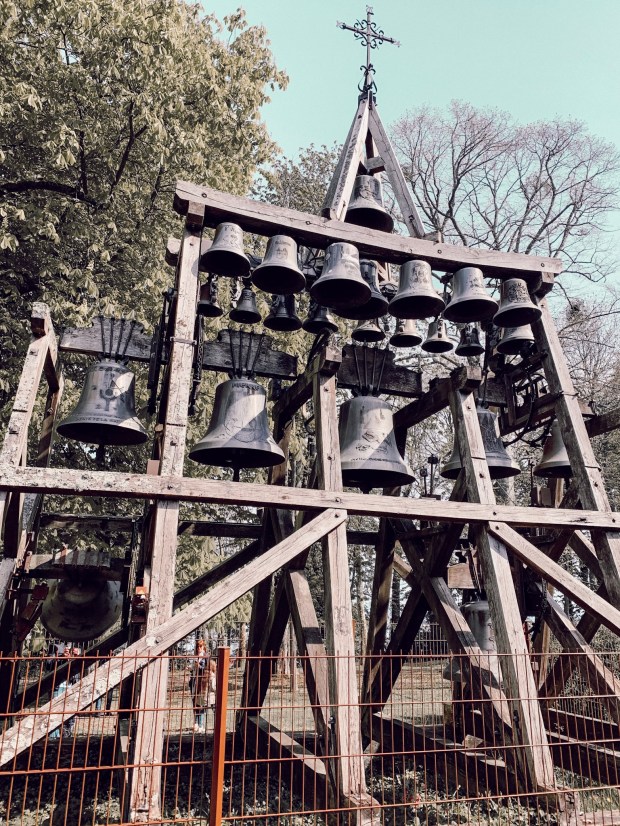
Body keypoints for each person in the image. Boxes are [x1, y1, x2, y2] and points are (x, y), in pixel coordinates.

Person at [189, 639, 214, 733]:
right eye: (197, 646)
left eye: (200, 646)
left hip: (203, 683)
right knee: (195, 703)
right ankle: (195, 723)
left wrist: (199, 666)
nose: (199, 648)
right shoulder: (196, 657)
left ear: (204, 647)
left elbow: (208, 669)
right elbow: (193, 669)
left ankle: (201, 725)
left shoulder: (206, 657)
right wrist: (192, 668)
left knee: (201, 704)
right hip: (194, 682)